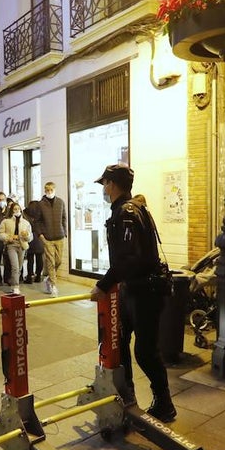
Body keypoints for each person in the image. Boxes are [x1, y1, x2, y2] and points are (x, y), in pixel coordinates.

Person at [89, 164, 175, 422]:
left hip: (144, 291)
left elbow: (128, 259)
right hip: (134, 289)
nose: (104, 189)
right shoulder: (130, 209)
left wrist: (103, 285)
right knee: (119, 341)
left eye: (105, 184)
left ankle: (164, 403)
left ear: (112, 184)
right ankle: (127, 395)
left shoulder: (126, 212)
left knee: (146, 352)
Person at [34, 182, 68, 297]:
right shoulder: (40, 204)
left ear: (54, 189)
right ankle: (53, 286)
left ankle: (49, 278)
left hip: (60, 236)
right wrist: (40, 235)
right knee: (50, 262)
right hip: (47, 237)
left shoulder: (60, 202)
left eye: (51, 190)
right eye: (47, 190)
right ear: (45, 191)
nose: (49, 192)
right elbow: (37, 221)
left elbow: (64, 218)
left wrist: (65, 232)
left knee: (58, 261)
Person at [0, 200, 32, 295]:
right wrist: (8, 237)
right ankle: (15, 286)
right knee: (15, 266)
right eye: (14, 209)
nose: (17, 211)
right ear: (11, 210)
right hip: (11, 245)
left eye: (18, 209)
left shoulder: (26, 222)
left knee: (19, 267)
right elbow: (0, 233)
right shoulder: (6, 221)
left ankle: (14, 281)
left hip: (22, 245)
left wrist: (26, 235)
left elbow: (30, 237)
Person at [22, 198, 45, 284]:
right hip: (39, 237)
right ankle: (38, 276)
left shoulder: (25, 213)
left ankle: (29, 277)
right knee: (39, 258)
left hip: (30, 237)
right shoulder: (41, 213)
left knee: (30, 259)